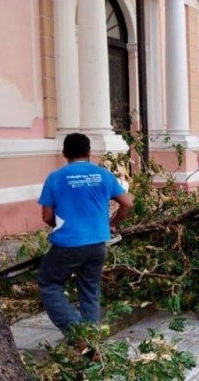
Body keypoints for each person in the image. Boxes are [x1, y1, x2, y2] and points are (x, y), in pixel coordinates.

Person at [37, 133, 133, 334]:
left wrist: (62, 225)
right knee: (90, 292)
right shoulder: (103, 175)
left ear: (64, 153)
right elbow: (127, 203)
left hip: (67, 247)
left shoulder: (55, 178)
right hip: (97, 245)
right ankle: (92, 341)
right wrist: (113, 224)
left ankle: (78, 332)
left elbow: (46, 217)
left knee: (49, 283)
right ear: (89, 153)